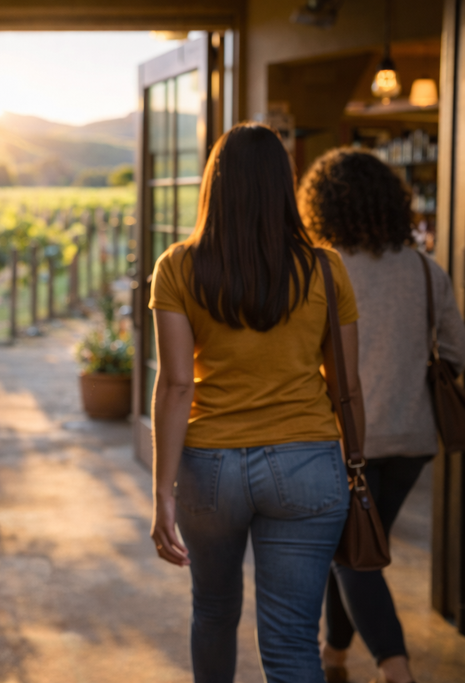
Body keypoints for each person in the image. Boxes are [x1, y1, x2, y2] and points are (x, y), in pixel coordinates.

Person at [149, 123, 365, 683]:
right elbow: (347, 382)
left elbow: (176, 385)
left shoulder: (177, 266)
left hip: (210, 469)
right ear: (283, 185)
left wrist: (161, 494)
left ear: (214, 185)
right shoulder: (324, 266)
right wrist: (352, 467)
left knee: (214, 612)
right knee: (293, 642)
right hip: (307, 465)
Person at [298, 148, 465, 683]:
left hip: (345, 440)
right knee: (355, 544)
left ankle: (397, 671)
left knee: (352, 555)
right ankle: (334, 658)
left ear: (321, 207)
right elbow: (456, 354)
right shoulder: (425, 269)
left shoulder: (323, 271)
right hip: (414, 441)